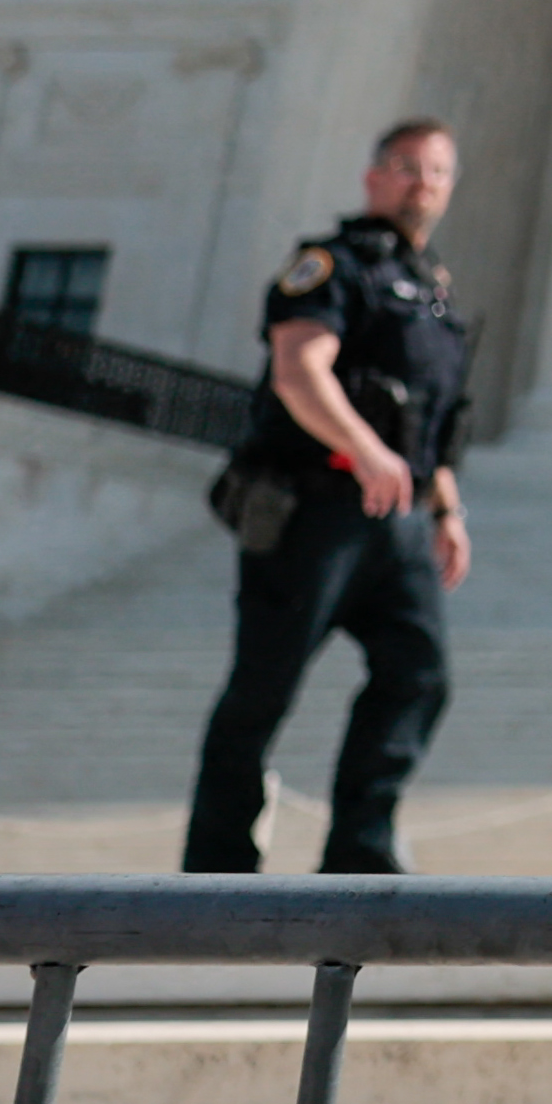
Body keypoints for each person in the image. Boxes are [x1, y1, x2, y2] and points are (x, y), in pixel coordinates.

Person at [185, 118, 479, 873]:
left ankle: (361, 850)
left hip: (400, 522)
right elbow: (299, 370)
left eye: (437, 172)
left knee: (419, 674)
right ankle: (217, 867)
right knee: (263, 689)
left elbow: (431, 426)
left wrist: (446, 509)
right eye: (407, 167)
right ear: (374, 177)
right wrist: (363, 448)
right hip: (313, 511)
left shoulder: (434, 294)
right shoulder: (331, 265)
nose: (422, 183)